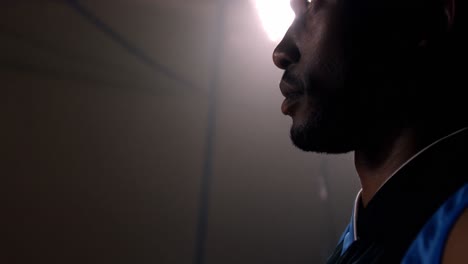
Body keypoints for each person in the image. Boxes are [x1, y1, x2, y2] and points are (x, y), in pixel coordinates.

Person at [272, 0, 468, 263]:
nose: (281, 52)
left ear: (422, 19)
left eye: (313, 5)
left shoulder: (456, 239)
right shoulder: (357, 243)